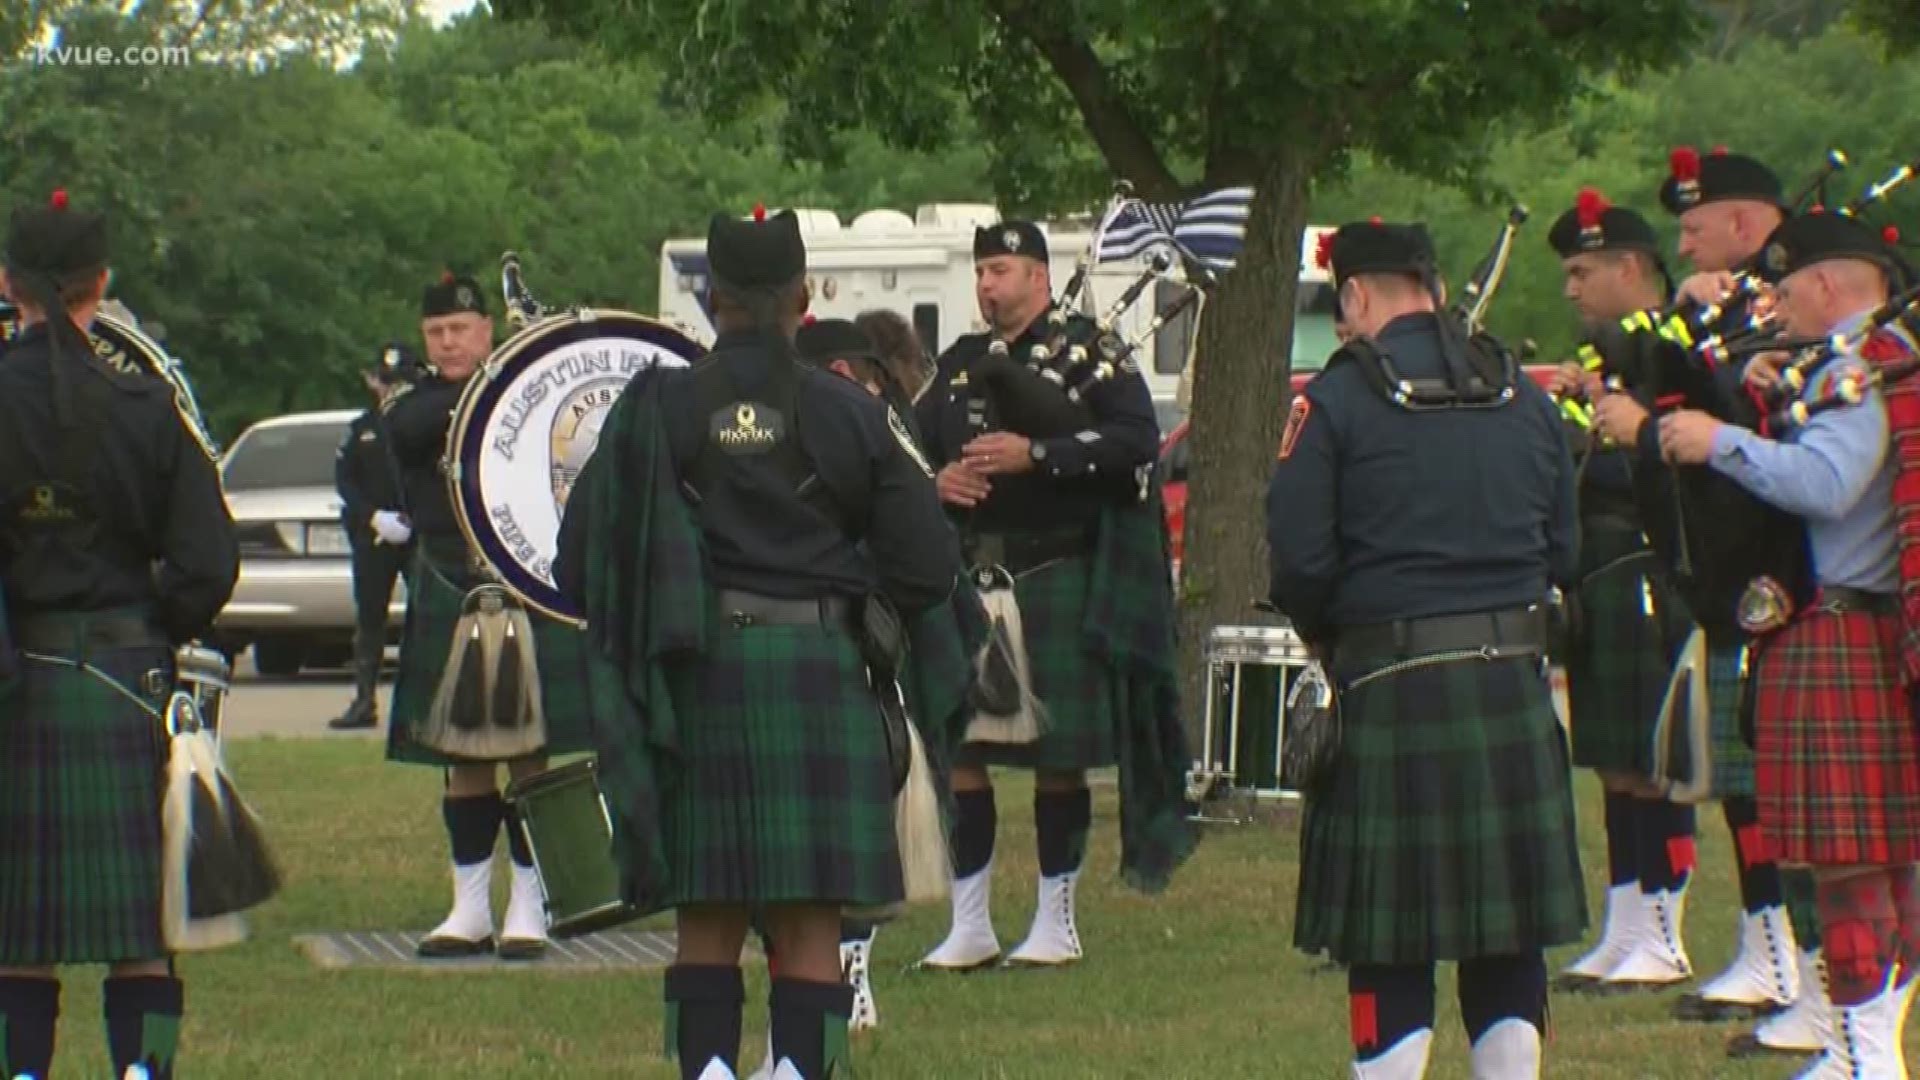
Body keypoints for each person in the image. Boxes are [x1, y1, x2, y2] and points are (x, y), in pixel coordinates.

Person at [553, 207, 967, 1080]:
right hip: (817, 674)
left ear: (711, 300)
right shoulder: (853, 411)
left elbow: (577, 561)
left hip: (691, 678)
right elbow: (929, 568)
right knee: (811, 916)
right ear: (802, 298)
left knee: (705, 908)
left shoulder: (652, 409)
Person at [1267, 219, 1586, 1078]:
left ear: (1358, 297)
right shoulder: (1525, 392)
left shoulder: (1333, 401)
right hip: (1513, 687)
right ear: (1437, 291)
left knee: (1392, 938)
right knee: (1507, 929)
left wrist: (1336, 633)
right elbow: (1566, 552)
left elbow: (1299, 561)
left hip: (1392, 683)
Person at [1651, 208, 1920, 1075]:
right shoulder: (1864, 367)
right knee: (1880, 864)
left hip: (1836, 629)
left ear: (1829, 284)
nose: (1777, 297)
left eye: (1787, 282)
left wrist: (1718, 439)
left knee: (1848, 870)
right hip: (1861, 630)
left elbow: (1830, 483)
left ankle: (1867, 1060)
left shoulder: (1854, 375)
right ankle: (1862, 1051)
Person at [0, 189, 239, 1079]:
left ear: (6, 284)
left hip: (15, 682)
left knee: (16, 935)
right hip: (127, 682)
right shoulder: (147, 407)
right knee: (143, 935)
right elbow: (210, 564)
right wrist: (150, 626)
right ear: (100, 284)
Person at [912, 220, 1194, 972]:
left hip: (1057, 571)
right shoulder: (962, 361)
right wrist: (937, 479)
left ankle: (1055, 923)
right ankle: (969, 924)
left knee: (1057, 758)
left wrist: (1036, 454)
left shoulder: (1091, 354)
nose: (986, 285)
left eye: (1000, 269)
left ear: (1039, 274)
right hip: (977, 576)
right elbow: (908, 443)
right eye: (980, 271)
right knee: (963, 751)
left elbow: (1137, 441)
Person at [1590, 147, 1812, 1040]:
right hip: (1727, 569)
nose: (1682, 243)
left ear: (1745, 222)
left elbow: (1748, 429)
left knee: (1778, 794)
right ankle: (1775, 952)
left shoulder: (1782, 308)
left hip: (1779, 576)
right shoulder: (1727, 308)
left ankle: (1797, 964)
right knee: (1747, 787)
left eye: (1694, 224)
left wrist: (1652, 427)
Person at [381, 271, 598, 961]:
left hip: (524, 582)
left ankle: (529, 905)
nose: (447, 343)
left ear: (487, 332)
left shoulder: (525, 389)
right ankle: (469, 909)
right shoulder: (418, 408)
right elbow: (403, 437)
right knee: (464, 757)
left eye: (460, 331)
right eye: (436, 332)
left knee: (528, 755)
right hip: (452, 584)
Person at [328, 343, 418, 731]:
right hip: (374, 536)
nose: (390, 391)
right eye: (386, 382)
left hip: (419, 535)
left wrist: (417, 517)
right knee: (370, 619)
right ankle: (364, 701)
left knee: (426, 619)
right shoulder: (362, 428)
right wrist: (373, 517)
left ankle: (422, 705)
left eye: (399, 383)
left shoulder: (426, 424)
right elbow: (345, 481)